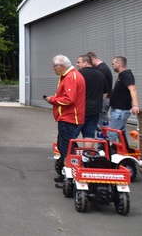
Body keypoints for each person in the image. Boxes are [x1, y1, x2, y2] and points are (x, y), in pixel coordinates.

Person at [44, 55, 85, 187]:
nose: (53, 70)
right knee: (67, 146)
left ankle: (69, 178)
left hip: (69, 118)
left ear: (60, 66)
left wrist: (52, 100)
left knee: (67, 149)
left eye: (54, 67)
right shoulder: (70, 76)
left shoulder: (70, 77)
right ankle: (67, 174)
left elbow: (69, 99)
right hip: (69, 117)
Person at [75, 55, 109, 139]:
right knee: (89, 134)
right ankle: (88, 152)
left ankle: (68, 151)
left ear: (85, 63)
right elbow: (106, 92)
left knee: (71, 134)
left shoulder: (78, 75)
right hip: (95, 110)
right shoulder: (101, 75)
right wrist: (99, 102)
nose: (77, 64)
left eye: (79, 62)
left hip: (80, 111)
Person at [108, 56, 139, 140]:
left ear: (118, 64)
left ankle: (109, 151)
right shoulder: (121, 75)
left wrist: (135, 105)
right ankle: (123, 151)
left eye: (113, 63)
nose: (112, 65)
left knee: (112, 133)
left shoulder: (126, 74)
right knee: (121, 134)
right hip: (118, 110)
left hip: (120, 111)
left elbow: (133, 89)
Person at [87, 51, 113, 125]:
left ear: (92, 59)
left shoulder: (101, 70)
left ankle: (107, 136)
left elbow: (104, 88)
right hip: (105, 99)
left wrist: (99, 102)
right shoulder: (103, 68)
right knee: (102, 122)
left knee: (102, 124)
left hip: (103, 100)